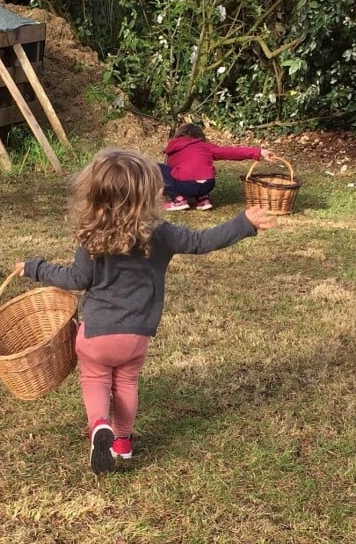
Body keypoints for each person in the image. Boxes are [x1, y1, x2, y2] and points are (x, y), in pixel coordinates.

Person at [14, 147, 276, 475]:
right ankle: (122, 444)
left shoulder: (91, 237)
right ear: (149, 193)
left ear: (94, 195)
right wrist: (244, 223)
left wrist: (35, 268)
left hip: (95, 335)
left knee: (94, 379)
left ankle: (99, 426)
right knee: (126, 383)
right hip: (136, 335)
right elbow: (201, 241)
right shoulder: (161, 233)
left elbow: (75, 279)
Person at [161, 123, 277, 211]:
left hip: (186, 185)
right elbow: (231, 152)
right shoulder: (206, 146)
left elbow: (171, 173)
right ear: (200, 136)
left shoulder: (175, 147)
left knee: (156, 168)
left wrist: (168, 191)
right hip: (208, 184)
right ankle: (202, 199)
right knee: (200, 169)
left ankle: (178, 200)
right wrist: (259, 152)